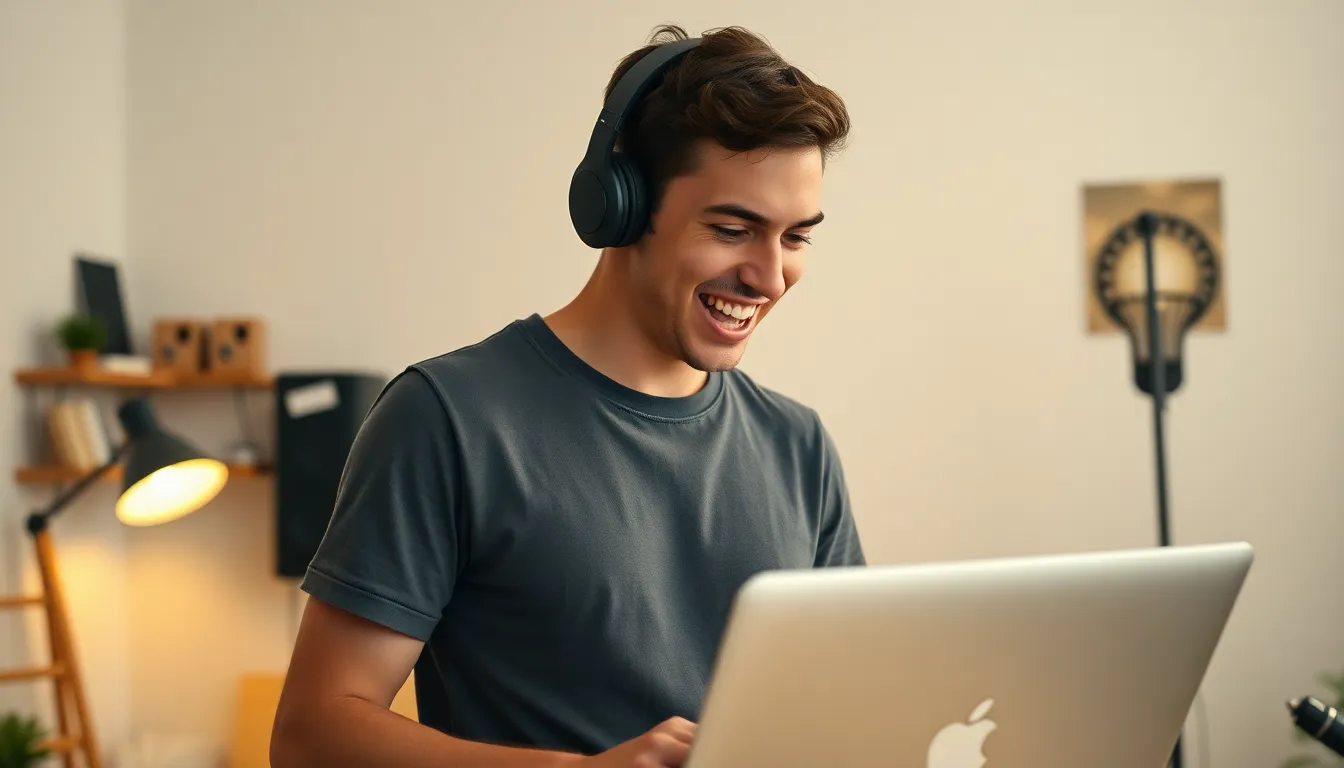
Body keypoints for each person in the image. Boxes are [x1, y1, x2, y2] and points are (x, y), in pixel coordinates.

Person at [270, 23, 863, 768]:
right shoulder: (446, 418)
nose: (770, 276)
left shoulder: (798, 446)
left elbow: (845, 706)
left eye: (796, 238)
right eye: (733, 228)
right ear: (620, 205)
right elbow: (312, 735)